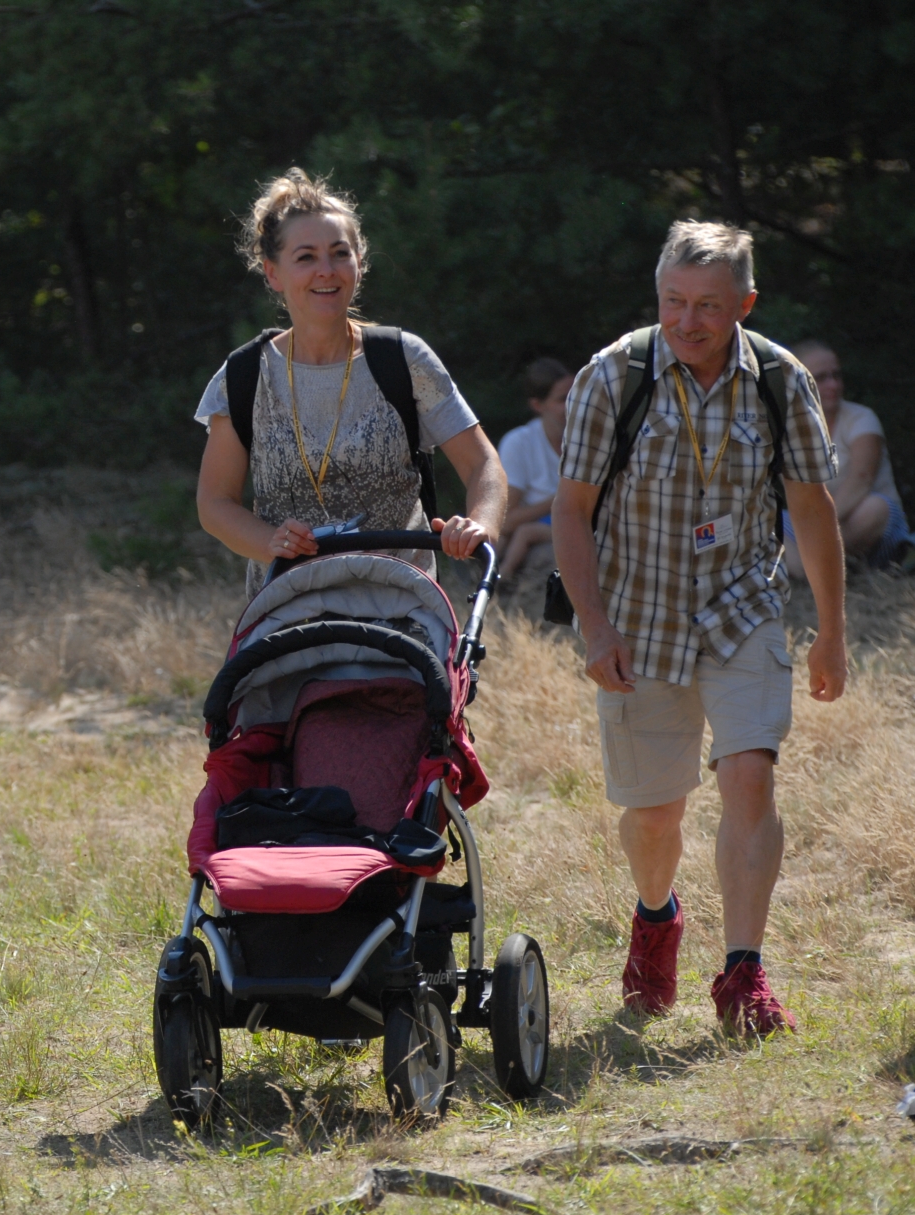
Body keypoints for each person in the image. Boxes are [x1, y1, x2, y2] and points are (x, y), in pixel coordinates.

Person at [551, 220, 847, 1035]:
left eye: (709, 305)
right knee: (655, 815)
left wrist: (831, 630)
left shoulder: (781, 381)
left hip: (741, 606)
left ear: (744, 305)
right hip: (637, 618)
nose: (688, 321)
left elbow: (812, 509)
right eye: (674, 301)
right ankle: (657, 916)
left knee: (749, 773)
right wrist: (595, 628)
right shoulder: (612, 376)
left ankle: (743, 973)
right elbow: (571, 512)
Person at [195, 169, 506, 587]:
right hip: (288, 607)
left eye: (340, 253)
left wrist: (480, 524)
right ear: (273, 273)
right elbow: (215, 503)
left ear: (360, 263)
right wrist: (270, 542)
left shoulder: (404, 359)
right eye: (306, 257)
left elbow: (483, 463)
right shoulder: (245, 374)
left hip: (402, 603)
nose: (326, 270)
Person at [783, 339, 915, 577]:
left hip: (862, 525)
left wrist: (818, 525)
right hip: (813, 530)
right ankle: (811, 568)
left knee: (875, 507)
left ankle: (808, 566)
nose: (833, 384)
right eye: (821, 378)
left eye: (836, 376)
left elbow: (861, 480)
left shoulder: (861, 419)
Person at [496, 358, 574, 583]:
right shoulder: (520, 443)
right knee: (499, 541)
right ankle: (495, 583)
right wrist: (560, 499)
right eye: (562, 399)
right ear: (538, 405)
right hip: (542, 531)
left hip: (574, 531)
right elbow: (504, 521)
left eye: (576, 395)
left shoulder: (593, 440)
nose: (573, 404)